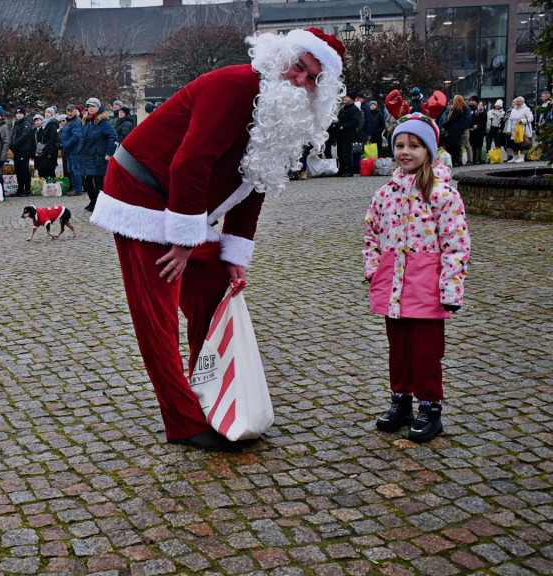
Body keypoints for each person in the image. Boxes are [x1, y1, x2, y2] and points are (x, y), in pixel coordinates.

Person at [89, 28, 345, 452]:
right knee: (157, 314)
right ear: (282, 56)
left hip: (188, 207)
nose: (300, 79)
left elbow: (256, 185)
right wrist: (185, 242)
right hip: (142, 190)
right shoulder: (234, 85)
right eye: (299, 66)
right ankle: (184, 421)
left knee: (212, 297)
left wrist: (233, 252)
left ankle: (213, 397)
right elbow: (191, 162)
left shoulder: (284, 115)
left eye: (313, 78)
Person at [364, 112, 470, 444]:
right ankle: (401, 400)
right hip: (393, 286)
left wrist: (451, 288)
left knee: (426, 352)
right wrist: (374, 270)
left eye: (414, 145)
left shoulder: (443, 195)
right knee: (398, 349)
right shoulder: (385, 194)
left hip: (427, 288)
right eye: (400, 145)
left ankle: (430, 407)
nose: (405, 152)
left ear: (429, 150)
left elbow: (456, 244)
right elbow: (372, 234)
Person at [77, 97, 118, 212]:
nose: (90, 109)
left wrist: (109, 153)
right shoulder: (87, 121)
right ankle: (93, 201)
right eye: (89, 107)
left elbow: (113, 137)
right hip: (86, 156)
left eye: (93, 106)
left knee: (98, 182)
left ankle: (100, 203)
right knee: (87, 181)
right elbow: (83, 138)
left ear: (98, 108)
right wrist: (79, 150)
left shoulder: (104, 122)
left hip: (98, 157)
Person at [331, 91, 362, 176]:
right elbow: (339, 118)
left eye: (347, 97)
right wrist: (336, 125)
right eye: (345, 97)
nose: (345, 98)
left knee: (347, 152)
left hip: (348, 134)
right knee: (340, 152)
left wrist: (344, 126)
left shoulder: (354, 109)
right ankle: (341, 169)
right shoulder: (344, 108)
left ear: (352, 99)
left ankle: (349, 170)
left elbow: (355, 122)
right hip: (340, 134)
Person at [10, 106, 35, 196]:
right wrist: (12, 145)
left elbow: (24, 136)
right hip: (17, 150)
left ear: (24, 114)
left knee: (24, 170)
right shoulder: (17, 123)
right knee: (18, 171)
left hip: (24, 150)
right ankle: (20, 189)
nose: (18, 115)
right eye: (17, 113)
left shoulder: (26, 122)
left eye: (20, 113)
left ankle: (27, 190)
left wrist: (14, 144)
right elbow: (13, 135)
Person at [60, 104, 83, 195]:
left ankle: (77, 189)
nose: (69, 113)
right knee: (70, 170)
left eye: (71, 111)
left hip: (74, 150)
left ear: (75, 111)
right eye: (68, 111)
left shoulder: (76, 121)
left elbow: (76, 136)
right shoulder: (69, 121)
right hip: (69, 150)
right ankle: (74, 188)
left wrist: (66, 144)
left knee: (75, 169)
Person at [505, 96, 535, 162]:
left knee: (523, 144)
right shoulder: (513, 110)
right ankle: (515, 157)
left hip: (523, 129)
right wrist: (508, 130)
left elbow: (531, 118)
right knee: (514, 144)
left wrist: (522, 121)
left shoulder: (526, 109)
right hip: (514, 130)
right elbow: (510, 120)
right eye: (516, 101)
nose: (517, 103)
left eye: (519, 101)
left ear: (523, 102)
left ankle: (521, 157)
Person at [442, 95, 467, 165]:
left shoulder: (456, 111)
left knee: (453, 146)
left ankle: (455, 161)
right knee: (456, 146)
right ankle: (456, 160)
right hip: (457, 130)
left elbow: (451, 121)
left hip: (454, 131)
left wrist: (443, 126)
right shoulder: (461, 110)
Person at [36, 109, 60, 179]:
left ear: (52, 114)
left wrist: (50, 153)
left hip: (50, 151)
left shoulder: (52, 125)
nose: (47, 114)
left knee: (50, 170)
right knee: (44, 170)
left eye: (49, 112)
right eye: (46, 112)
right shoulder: (44, 124)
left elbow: (53, 139)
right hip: (44, 150)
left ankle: (52, 184)